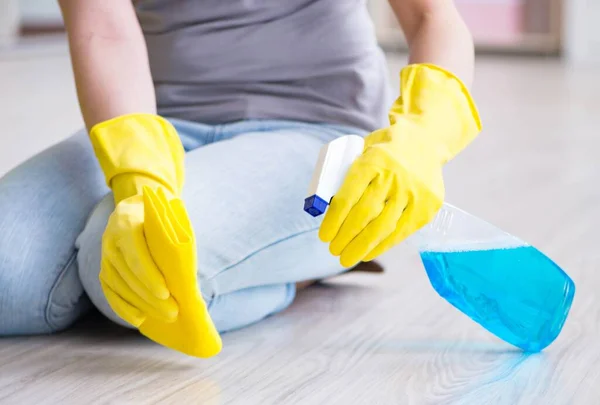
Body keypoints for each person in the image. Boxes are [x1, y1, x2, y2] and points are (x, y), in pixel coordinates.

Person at [0, 0, 481, 356]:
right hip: (152, 119)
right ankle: (274, 255)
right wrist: (137, 174)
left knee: (132, 274)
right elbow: (102, 29)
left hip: (316, 129)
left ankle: (308, 267)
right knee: (11, 277)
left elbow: (432, 17)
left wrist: (423, 137)